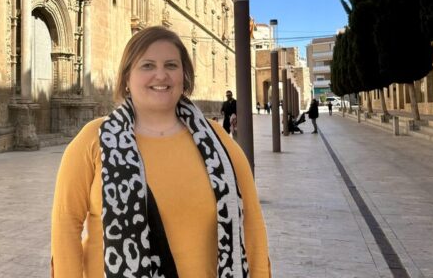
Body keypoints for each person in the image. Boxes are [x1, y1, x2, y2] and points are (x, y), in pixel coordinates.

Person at [51, 26, 271, 278]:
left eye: (171, 65)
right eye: (147, 66)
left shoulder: (218, 141)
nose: (160, 75)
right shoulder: (93, 140)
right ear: (126, 78)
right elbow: (66, 224)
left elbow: (252, 222)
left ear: (184, 76)